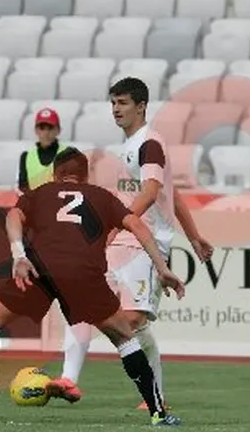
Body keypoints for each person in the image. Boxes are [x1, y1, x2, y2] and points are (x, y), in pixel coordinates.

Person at [0, 148, 185, 427]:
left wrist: (19, 255)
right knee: (125, 338)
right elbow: (137, 225)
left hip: (41, 269)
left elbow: (13, 216)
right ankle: (158, 412)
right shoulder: (102, 196)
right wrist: (162, 268)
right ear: (86, 176)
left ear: (54, 174)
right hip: (85, 273)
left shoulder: (40, 193)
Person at [49, 77, 214, 410]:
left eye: (122, 103)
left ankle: (155, 395)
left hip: (146, 244)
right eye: (113, 103)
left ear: (141, 106)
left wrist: (189, 235)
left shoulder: (150, 144)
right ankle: (68, 379)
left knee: (133, 322)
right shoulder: (128, 147)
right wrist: (194, 236)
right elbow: (171, 193)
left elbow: (154, 192)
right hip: (120, 240)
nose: (116, 109)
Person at [18, 108, 68, 193]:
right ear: (36, 130)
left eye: (50, 128)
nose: (46, 133)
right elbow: (22, 189)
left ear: (58, 130)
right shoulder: (26, 157)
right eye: (42, 128)